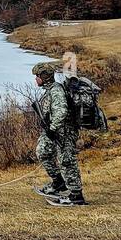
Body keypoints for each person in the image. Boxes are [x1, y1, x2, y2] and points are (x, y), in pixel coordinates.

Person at [31, 61, 86, 206]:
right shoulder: (50, 89)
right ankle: (58, 182)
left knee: (66, 161)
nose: (36, 79)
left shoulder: (56, 91)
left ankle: (76, 195)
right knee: (42, 151)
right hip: (55, 131)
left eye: (37, 76)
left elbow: (61, 111)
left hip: (64, 132)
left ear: (45, 76)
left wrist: (52, 129)